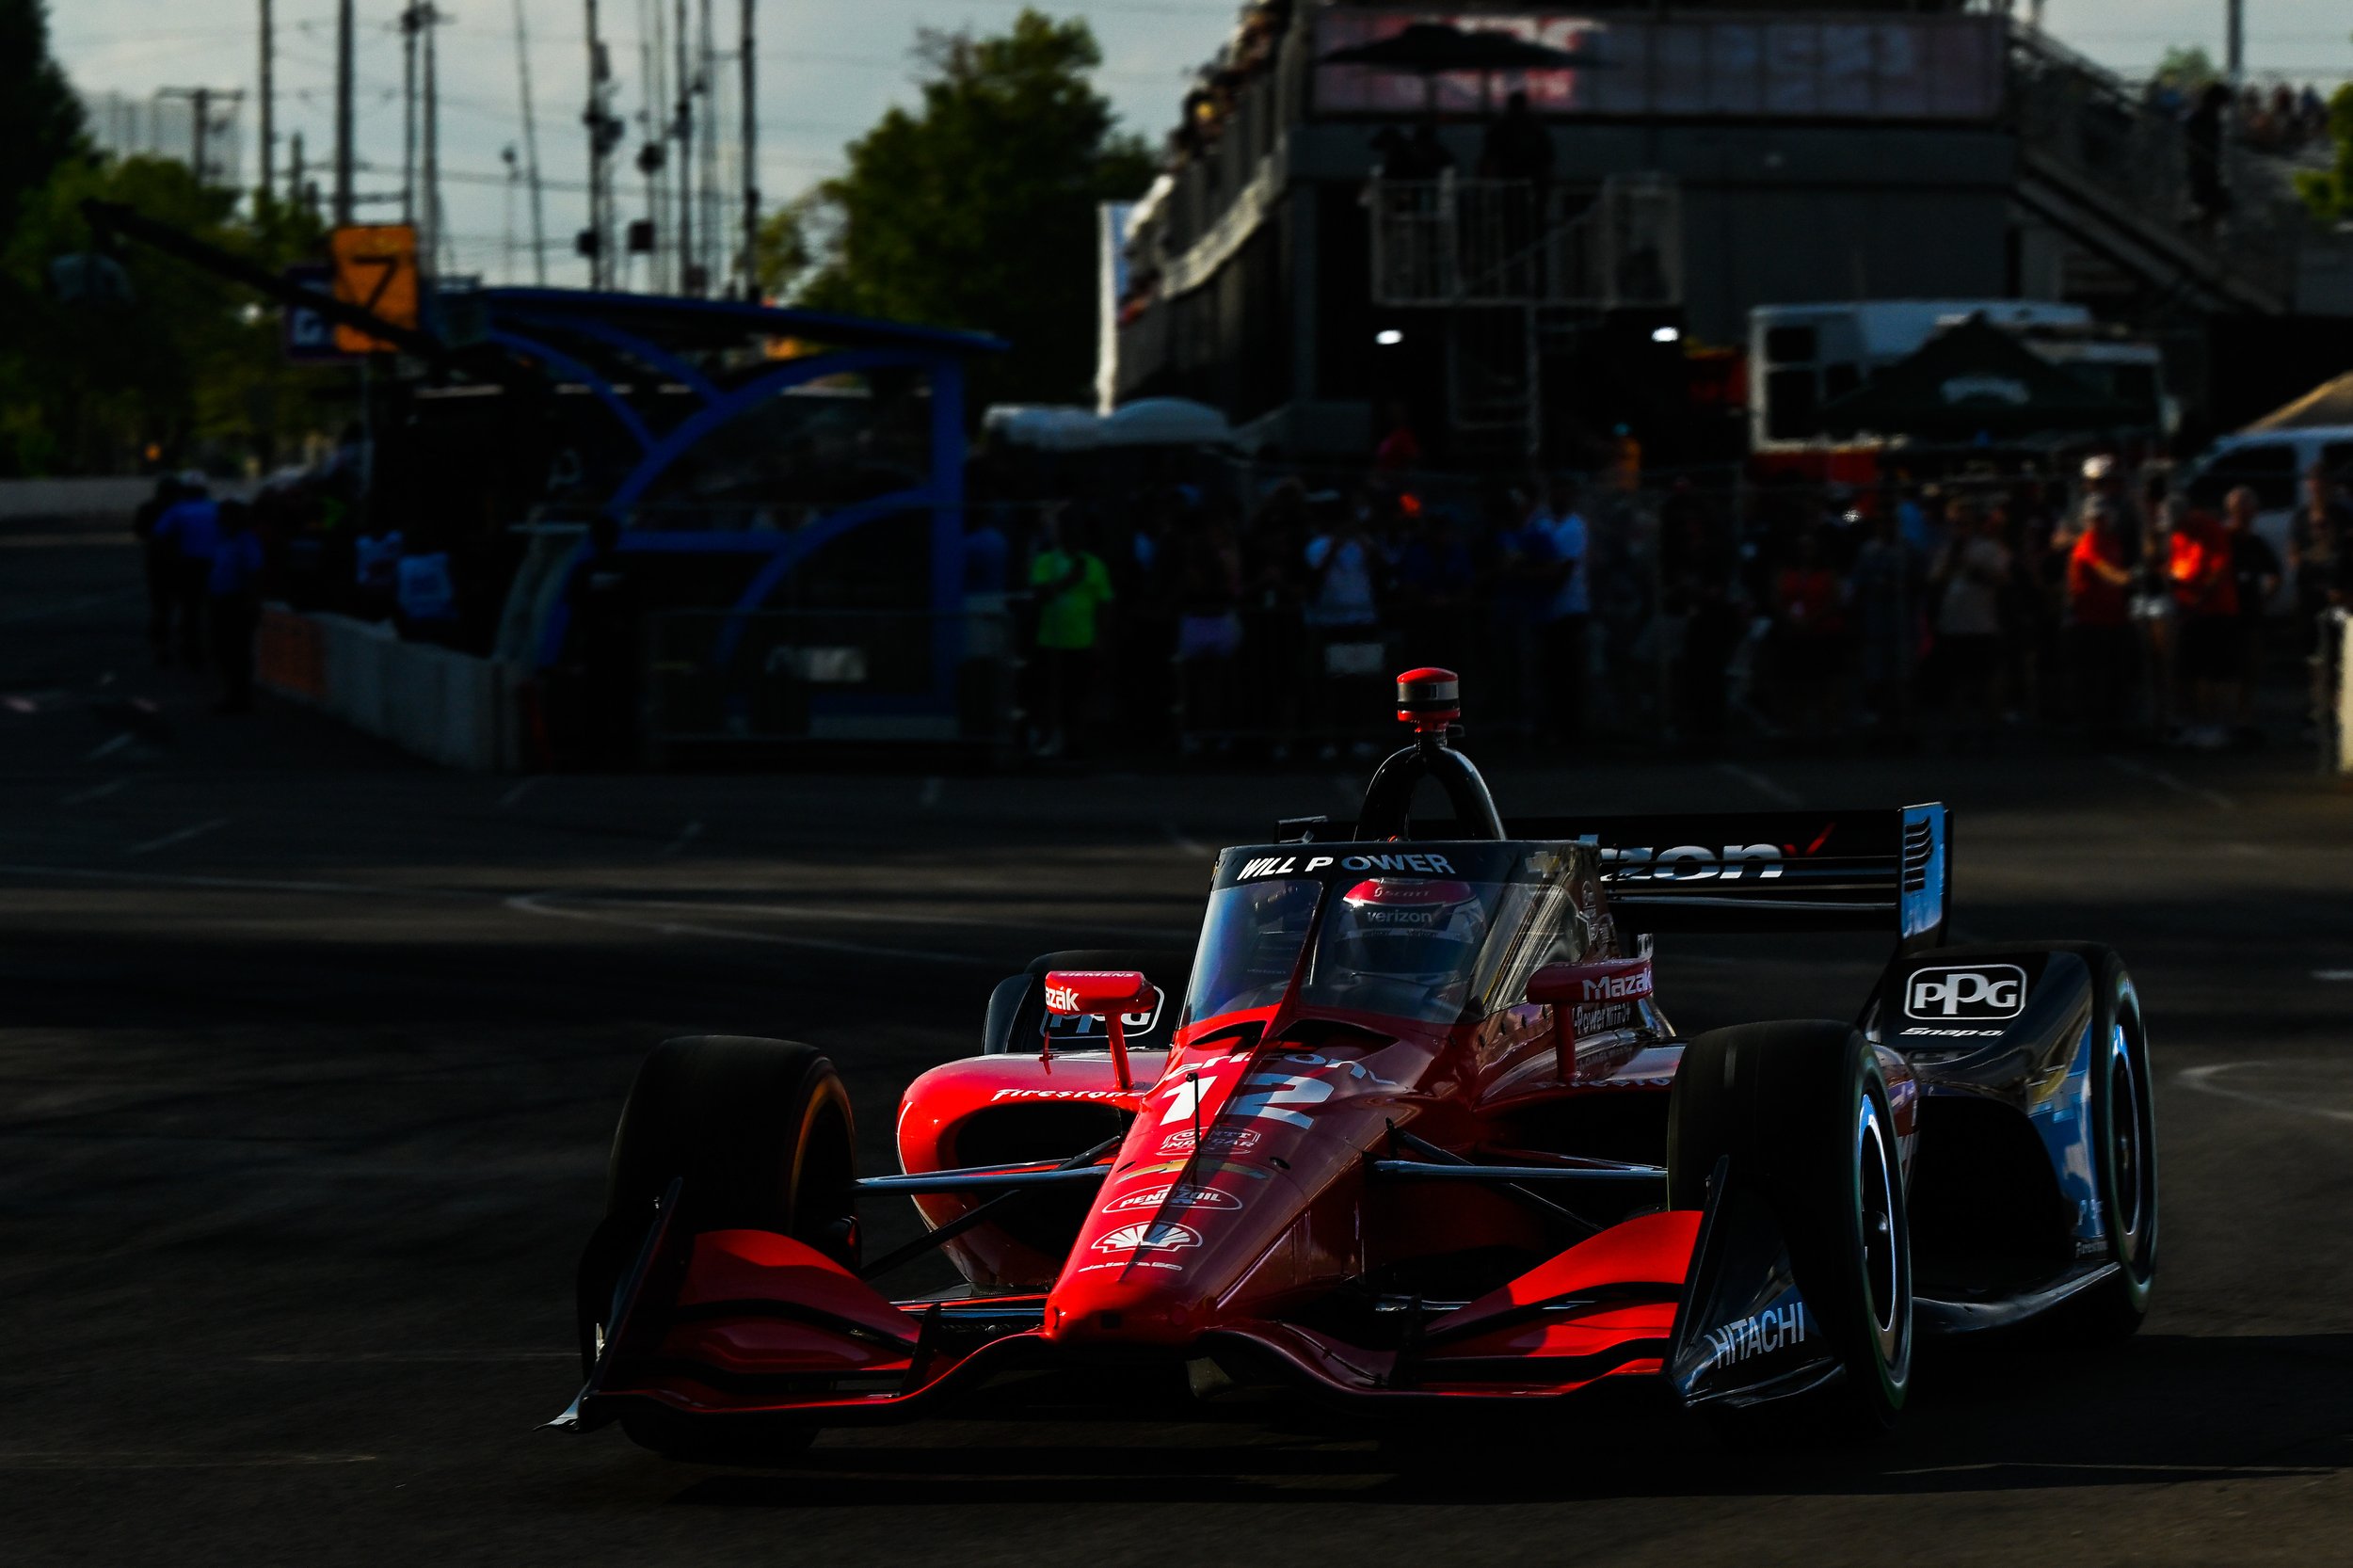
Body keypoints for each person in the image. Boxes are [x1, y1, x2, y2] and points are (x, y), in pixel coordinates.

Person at [1028, 506, 1114, 758]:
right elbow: (1039, 595)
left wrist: (1101, 638)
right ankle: (1048, 739)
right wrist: (1069, 580)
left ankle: (1075, 742)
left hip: (1082, 643)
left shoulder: (1095, 565)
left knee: (1078, 695)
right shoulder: (1046, 561)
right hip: (1051, 642)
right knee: (1049, 694)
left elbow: (1106, 604)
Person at [1929, 497, 2010, 737]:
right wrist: (1950, 564)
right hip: (1953, 625)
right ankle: (1959, 729)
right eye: (1955, 525)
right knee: (1957, 681)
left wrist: (1972, 565)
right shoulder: (1946, 552)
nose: (1959, 530)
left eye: (1964, 524)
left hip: (1982, 625)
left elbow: (2002, 581)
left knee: (1986, 679)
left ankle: (1989, 728)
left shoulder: (1989, 549)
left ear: (1973, 526)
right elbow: (1934, 582)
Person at [2165, 495, 2238, 746]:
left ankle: (2215, 724)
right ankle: (2191, 722)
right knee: (2187, 670)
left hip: (2214, 610)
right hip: (2188, 610)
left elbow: (2218, 568)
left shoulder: (2208, 529)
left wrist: (2200, 598)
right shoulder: (2177, 536)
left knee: (2213, 672)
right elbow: (2174, 569)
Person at [2066, 496, 2137, 732]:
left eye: (2103, 518)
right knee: (2096, 678)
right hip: (2092, 621)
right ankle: (2096, 727)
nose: (2100, 522)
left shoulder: (2113, 541)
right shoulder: (2089, 543)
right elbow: (2107, 572)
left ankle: (2113, 724)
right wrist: (2132, 578)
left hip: (2114, 619)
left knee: (2114, 677)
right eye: (2095, 518)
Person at [1532, 474, 1591, 744]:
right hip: (1546, 610)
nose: (1559, 496)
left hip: (1569, 608)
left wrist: (1536, 582)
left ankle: (1572, 729)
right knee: (1550, 671)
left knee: (1568, 670)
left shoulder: (1574, 526)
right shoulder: (1543, 523)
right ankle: (1553, 725)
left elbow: (1562, 571)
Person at [2221, 485, 2282, 738]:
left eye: (2247, 509)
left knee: (2250, 667)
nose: (2243, 514)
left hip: (2250, 612)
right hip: (2226, 614)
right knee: (2227, 668)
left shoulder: (2257, 543)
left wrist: (2264, 598)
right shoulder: (2224, 540)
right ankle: (2225, 717)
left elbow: (2275, 574)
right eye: (2238, 509)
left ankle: (2244, 718)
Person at [151, 472, 221, 669]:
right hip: (215, 564)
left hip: (188, 565)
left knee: (190, 610)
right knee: (215, 609)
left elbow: (159, 535)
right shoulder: (215, 508)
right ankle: (215, 650)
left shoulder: (177, 510)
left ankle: (191, 649)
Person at [206, 499, 267, 712]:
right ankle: (232, 694)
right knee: (222, 649)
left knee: (236, 651)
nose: (219, 519)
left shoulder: (245, 540)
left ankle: (240, 697)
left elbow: (255, 571)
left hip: (236, 602)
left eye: (224, 515)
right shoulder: (225, 538)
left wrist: (251, 601)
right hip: (221, 600)